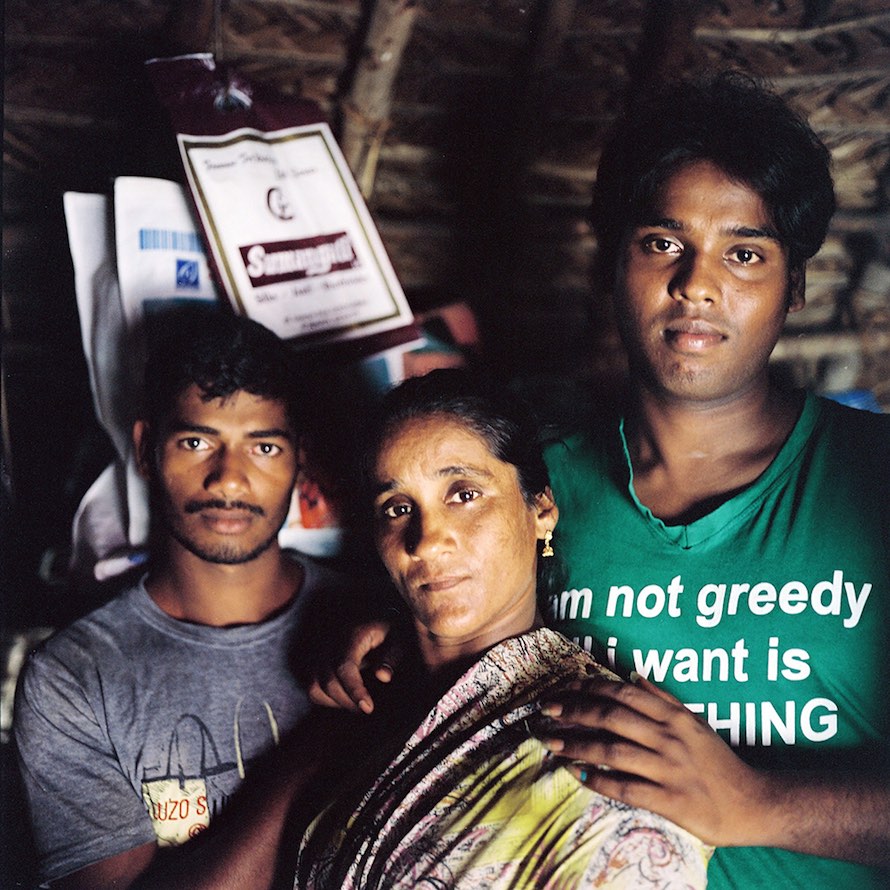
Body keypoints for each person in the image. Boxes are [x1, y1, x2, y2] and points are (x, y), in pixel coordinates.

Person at [310, 72, 890, 889]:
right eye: (662, 244)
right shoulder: (532, 487)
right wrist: (387, 632)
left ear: (794, 285)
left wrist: (756, 804)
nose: (697, 283)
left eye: (745, 253)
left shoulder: (874, 480)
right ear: (612, 265)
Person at [295, 368, 711, 888]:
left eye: (464, 494)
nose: (427, 540)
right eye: (398, 508)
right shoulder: (376, 706)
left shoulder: (608, 759)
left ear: (541, 510)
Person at [13, 307, 360, 889]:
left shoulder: (374, 624)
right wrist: (318, 750)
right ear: (146, 449)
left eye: (264, 447)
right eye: (197, 441)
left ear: (301, 459)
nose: (229, 479)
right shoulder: (74, 679)